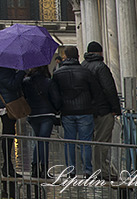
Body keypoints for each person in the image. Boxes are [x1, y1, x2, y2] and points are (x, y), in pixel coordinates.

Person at [51, 44, 100, 176]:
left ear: (64, 56)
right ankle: (87, 170)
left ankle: (71, 170)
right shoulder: (86, 72)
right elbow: (95, 91)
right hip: (85, 111)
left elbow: (55, 94)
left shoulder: (57, 74)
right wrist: (93, 106)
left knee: (69, 141)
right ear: (78, 56)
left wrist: (58, 108)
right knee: (85, 142)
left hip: (67, 112)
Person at [0, 60, 24, 198]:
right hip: (7, 104)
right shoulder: (3, 71)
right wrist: (21, 73)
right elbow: (12, 85)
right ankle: (7, 166)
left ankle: (7, 165)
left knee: (8, 134)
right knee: (9, 134)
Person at [84, 41, 121, 178]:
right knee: (103, 141)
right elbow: (109, 89)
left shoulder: (83, 66)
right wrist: (116, 108)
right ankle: (101, 170)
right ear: (100, 53)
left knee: (94, 141)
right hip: (103, 109)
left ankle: (95, 168)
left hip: (89, 110)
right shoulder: (101, 67)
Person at [22, 62, 61, 179]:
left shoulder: (26, 82)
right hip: (46, 114)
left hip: (33, 114)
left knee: (38, 141)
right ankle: (44, 169)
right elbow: (57, 99)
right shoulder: (48, 82)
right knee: (44, 141)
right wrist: (56, 109)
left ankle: (35, 167)